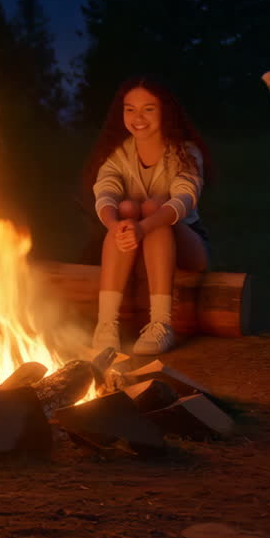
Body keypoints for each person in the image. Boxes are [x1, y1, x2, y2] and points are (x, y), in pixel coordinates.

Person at [84, 76, 211, 355]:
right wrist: (116, 225)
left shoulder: (185, 152)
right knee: (125, 210)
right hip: (132, 246)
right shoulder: (119, 153)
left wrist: (144, 227)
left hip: (187, 247)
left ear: (165, 110)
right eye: (130, 109)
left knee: (154, 208)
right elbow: (105, 192)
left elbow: (185, 199)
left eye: (148, 109)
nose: (137, 117)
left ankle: (161, 324)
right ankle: (106, 324)